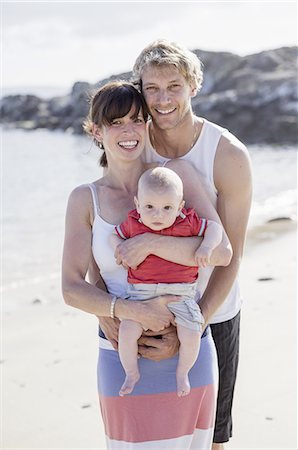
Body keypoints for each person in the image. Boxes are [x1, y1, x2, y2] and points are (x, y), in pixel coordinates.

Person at [62, 80, 232, 449]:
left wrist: (151, 242)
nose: (129, 131)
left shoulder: (176, 176)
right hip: (123, 354)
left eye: (137, 120)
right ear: (95, 131)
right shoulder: (85, 199)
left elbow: (221, 253)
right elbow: (72, 288)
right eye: (116, 122)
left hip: (189, 343)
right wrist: (129, 311)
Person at [112, 40, 252, 450]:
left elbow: (232, 255)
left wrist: (196, 323)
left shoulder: (226, 154)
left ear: (194, 86)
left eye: (174, 85)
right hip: (144, 310)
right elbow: (108, 232)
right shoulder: (134, 147)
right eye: (151, 88)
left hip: (213, 312)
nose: (163, 99)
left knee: (211, 438)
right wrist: (114, 314)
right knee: (151, 437)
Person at [112, 166, 223, 397]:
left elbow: (214, 228)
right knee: (127, 331)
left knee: (191, 332)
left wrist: (206, 246)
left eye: (167, 208)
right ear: (137, 203)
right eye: (149, 207)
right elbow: (114, 235)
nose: (158, 215)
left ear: (180, 207)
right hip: (140, 295)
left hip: (181, 294)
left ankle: (183, 373)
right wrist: (120, 250)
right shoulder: (133, 223)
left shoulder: (188, 222)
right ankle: (131, 372)